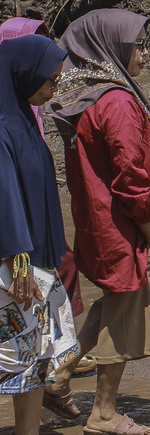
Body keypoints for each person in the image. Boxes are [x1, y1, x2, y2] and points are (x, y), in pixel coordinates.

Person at [44, 9, 150, 435]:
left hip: (96, 221)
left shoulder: (85, 93)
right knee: (123, 311)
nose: (146, 52)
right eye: (138, 45)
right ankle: (103, 413)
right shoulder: (117, 100)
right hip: (119, 225)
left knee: (115, 302)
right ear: (112, 48)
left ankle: (59, 375)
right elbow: (130, 177)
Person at [1, 34, 79, 435]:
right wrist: (19, 258)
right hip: (12, 265)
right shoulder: (1, 126)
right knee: (9, 359)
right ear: (22, 75)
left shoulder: (22, 119)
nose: (54, 89)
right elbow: (5, 195)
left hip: (32, 264)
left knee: (31, 358)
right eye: (49, 80)